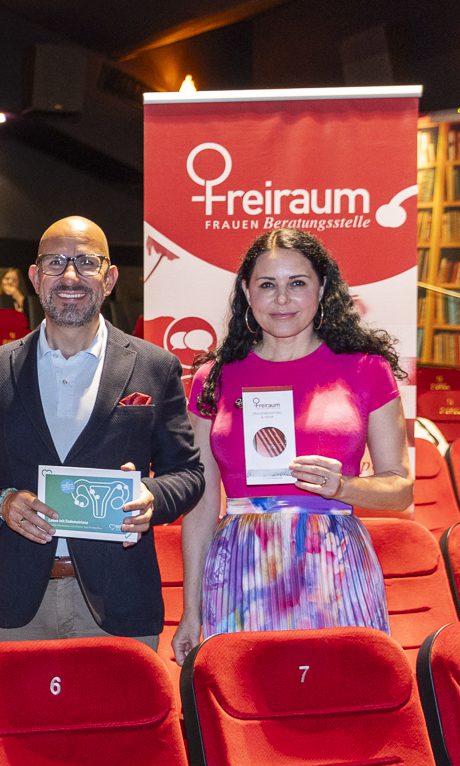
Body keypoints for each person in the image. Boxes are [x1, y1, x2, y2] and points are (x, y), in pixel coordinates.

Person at [0, 215, 202, 650]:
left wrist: (151, 497)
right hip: (16, 605)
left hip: (121, 601)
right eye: (55, 263)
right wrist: (1, 502)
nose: (70, 275)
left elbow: (187, 473)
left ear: (109, 279)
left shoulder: (155, 366)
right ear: (35, 277)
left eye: (86, 262)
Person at [172, 229, 410, 664]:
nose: (282, 298)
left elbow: (400, 488)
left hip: (334, 565)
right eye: (267, 284)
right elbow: (202, 504)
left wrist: (344, 487)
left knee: (338, 703)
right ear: (247, 291)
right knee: (244, 705)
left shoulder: (367, 369)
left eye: (297, 283)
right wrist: (191, 610)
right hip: (241, 567)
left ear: (322, 288)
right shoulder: (214, 378)